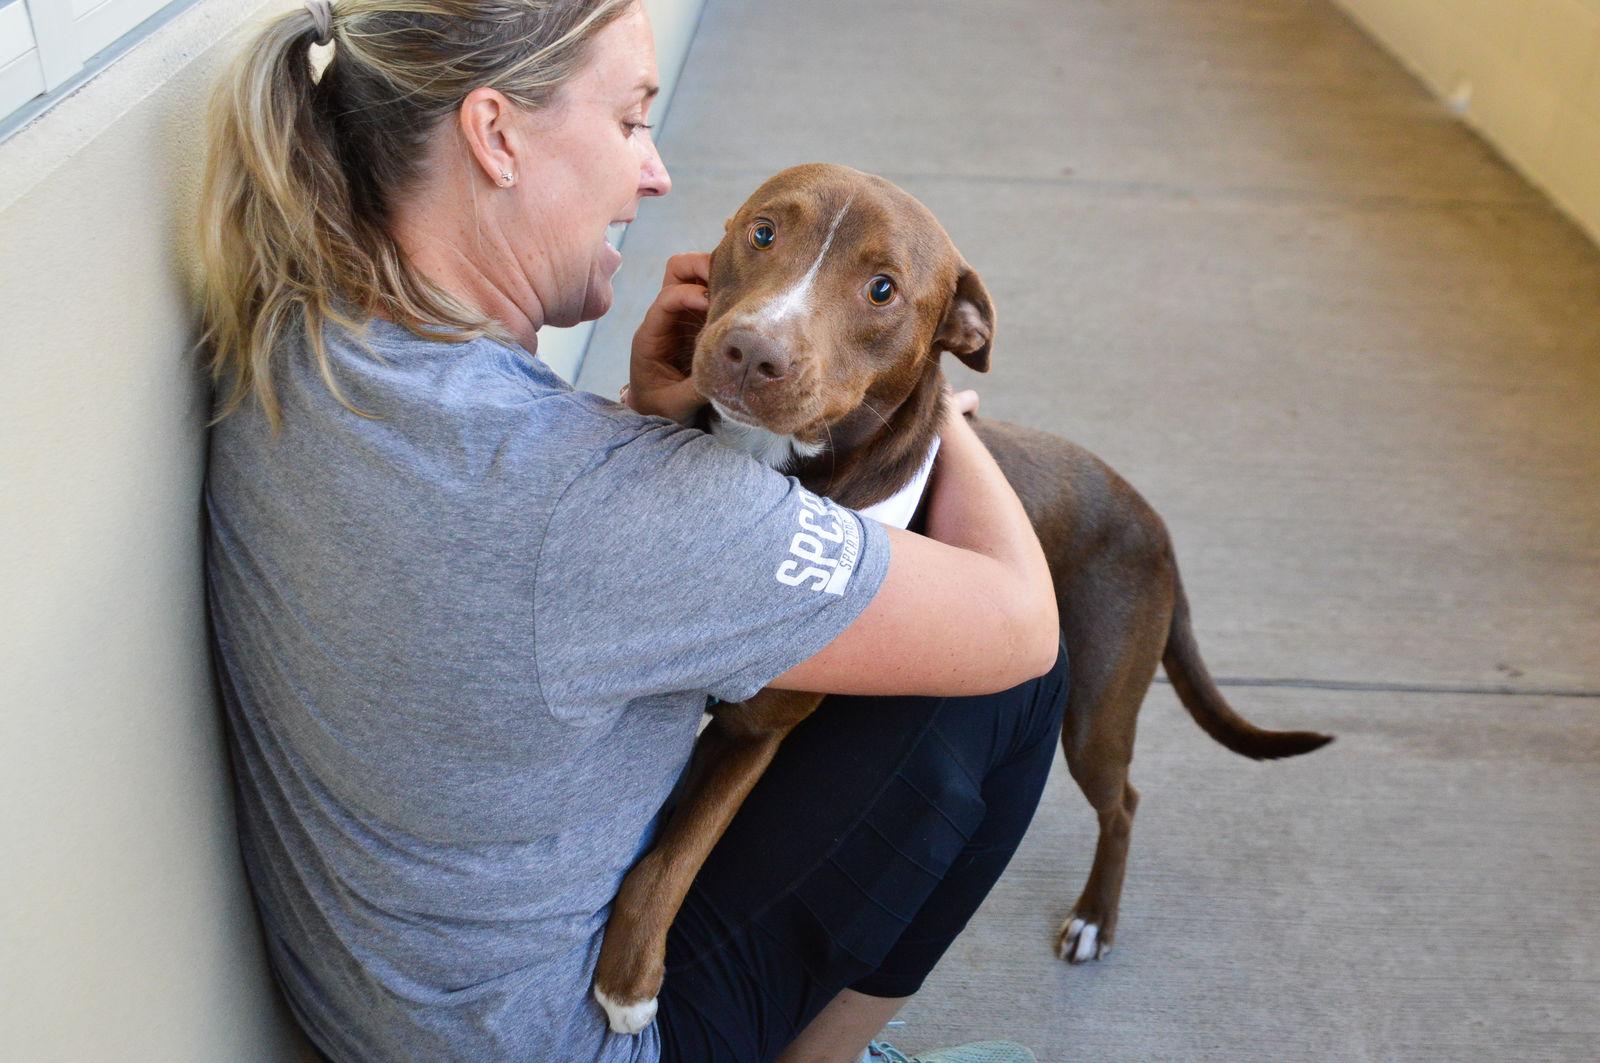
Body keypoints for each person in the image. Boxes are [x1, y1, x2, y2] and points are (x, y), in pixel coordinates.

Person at [195, 2, 1066, 1061]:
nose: (653, 176)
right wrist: (925, 400)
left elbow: (517, 553)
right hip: (578, 1037)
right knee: (1006, 676)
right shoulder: (620, 505)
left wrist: (638, 420)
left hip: (382, 1011)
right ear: (494, 135)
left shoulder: (302, 328)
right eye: (629, 122)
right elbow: (1019, 620)